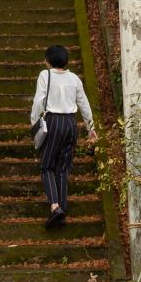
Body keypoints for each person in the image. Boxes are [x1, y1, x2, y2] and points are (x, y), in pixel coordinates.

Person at [28, 44, 96, 229]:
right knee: (63, 168)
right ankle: (62, 210)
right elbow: (84, 102)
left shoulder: (45, 75)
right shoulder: (74, 78)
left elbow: (38, 101)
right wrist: (91, 127)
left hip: (53, 122)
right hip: (71, 124)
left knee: (47, 166)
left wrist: (34, 122)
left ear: (48, 61)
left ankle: (55, 206)